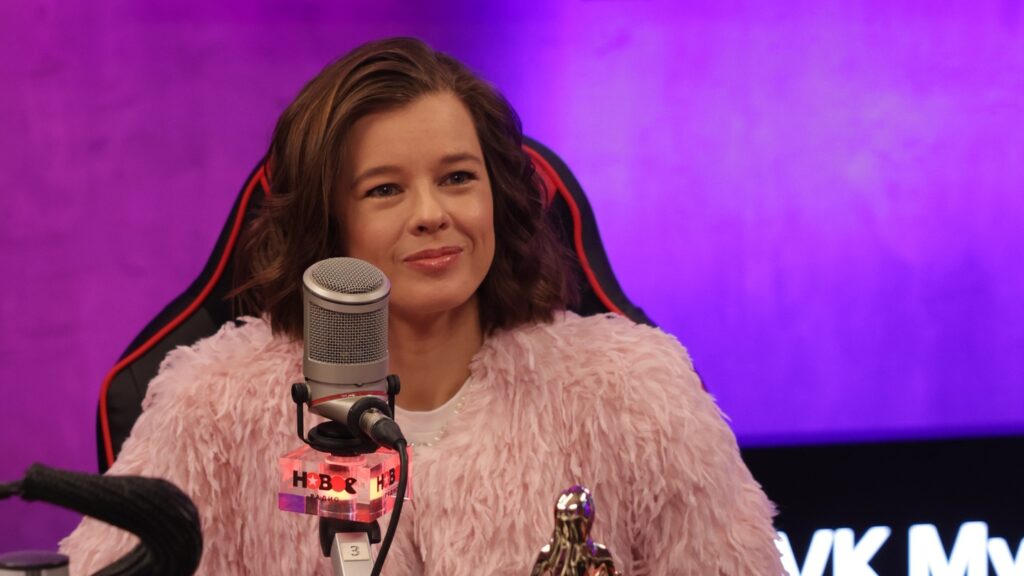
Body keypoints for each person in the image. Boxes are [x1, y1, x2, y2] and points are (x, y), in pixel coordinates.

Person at [61, 37, 783, 574]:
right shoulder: (210, 410)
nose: (432, 214)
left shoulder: (635, 392)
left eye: (458, 178)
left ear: (498, 196)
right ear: (328, 222)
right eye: (385, 190)